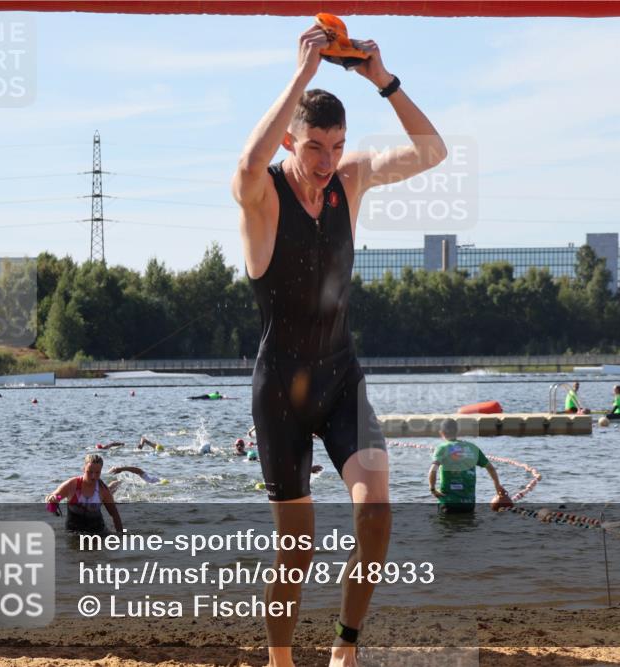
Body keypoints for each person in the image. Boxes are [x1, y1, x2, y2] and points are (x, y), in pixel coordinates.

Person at [231, 18, 446, 667]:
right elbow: (245, 162)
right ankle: (278, 658)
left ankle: (345, 649)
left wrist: (383, 81)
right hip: (280, 392)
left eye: (337, 145)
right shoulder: (262, 196)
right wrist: (302, 75)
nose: (327, 161)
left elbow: (433, 151)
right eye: (315, 147)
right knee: (296, 547)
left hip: (339, 379)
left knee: (376, 509)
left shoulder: (350, 181)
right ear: (291, 141)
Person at [428, 418, 507, 514]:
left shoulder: (442, 448)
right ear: (457, 431)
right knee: (468, 526)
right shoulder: (472, 447)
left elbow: (433, 470)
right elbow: (490, 468)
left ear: (441, 432)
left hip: (449, 503)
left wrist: (432, 489)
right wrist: (497, 487)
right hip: (469, 504)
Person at [45, 454, 123, 534]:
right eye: (90, 472)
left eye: (97, 473)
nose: (93, 476)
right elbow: (51, 504)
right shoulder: (71, 485)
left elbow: (114, 514)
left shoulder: (103, 490)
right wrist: (52, 500)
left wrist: (120, 536)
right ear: (83, 469)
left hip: (98, 532)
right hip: (73, 532)